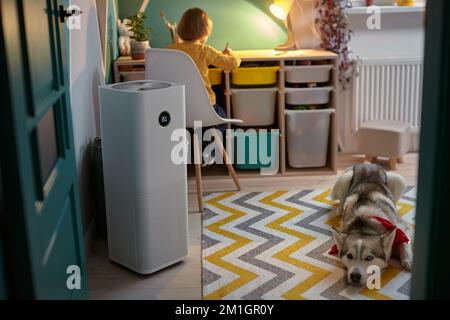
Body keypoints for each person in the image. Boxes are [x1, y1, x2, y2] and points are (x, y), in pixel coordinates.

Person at [168, 8, 241, 165]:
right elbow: (232, 64)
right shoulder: (205, 50)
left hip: (176, 109)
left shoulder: (169, 50)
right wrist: (230, 53)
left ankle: (188, 154)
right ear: (203, 33)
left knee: (193, 126)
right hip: (205, 108)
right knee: (222, 121)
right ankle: (206, 153)